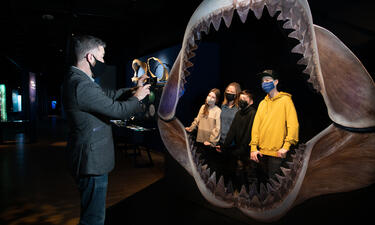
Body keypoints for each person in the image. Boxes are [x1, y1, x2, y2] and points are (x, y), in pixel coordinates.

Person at [62, 35, 150, 225]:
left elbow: (109, 96)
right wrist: (138, 98)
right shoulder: (81, 85)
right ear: (90, 57)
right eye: (101, 57)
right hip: (91, 162)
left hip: (87, 158)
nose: (103, 62)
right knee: (93, 219)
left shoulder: (79, 80)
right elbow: (117, 110)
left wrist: (135, 89)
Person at [250, 69, 299, 184]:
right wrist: (253, 148)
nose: (264, 83)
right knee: (261, 187)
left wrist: (286, 146)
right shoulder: (262, 103)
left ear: (276, 82)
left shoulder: (286, 100)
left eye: (267, 80)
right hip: (260, 153)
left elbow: (293, 125)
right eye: (263, 81)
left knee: (275, 187)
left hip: (277, 154)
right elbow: (256, 127)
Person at [217, 90, 257, 190]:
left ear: (251, 102)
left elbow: (248, 134)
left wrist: (239, 151)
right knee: (236, 174)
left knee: (248, 177)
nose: (241, 100)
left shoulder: (253, 113)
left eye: (245, 99)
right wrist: (224, 147)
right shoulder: (239, 113)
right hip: (239, 150)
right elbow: (232, 131)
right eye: (241, 98)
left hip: (247, 151)